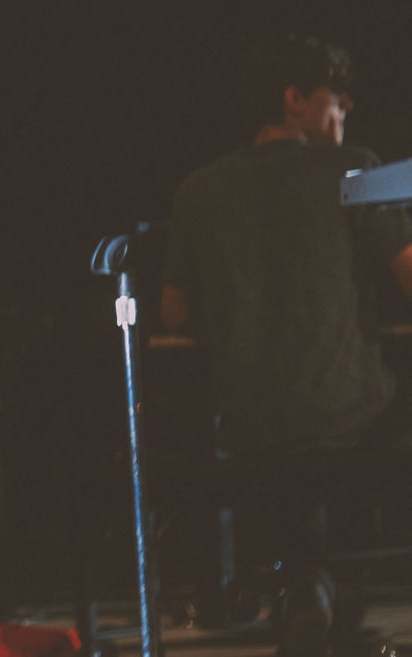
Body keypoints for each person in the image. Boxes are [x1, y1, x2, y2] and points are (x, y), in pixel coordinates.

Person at [160, 33, 412, 657]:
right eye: (335, 96)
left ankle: (307, 586)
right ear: (294, 98)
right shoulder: (354, 172)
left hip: (246, 427)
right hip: (349, 419)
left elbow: (174, 312)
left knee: (290, 438)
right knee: (348, 409)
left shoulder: (198, 189)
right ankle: (317, 587)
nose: (346, 108)